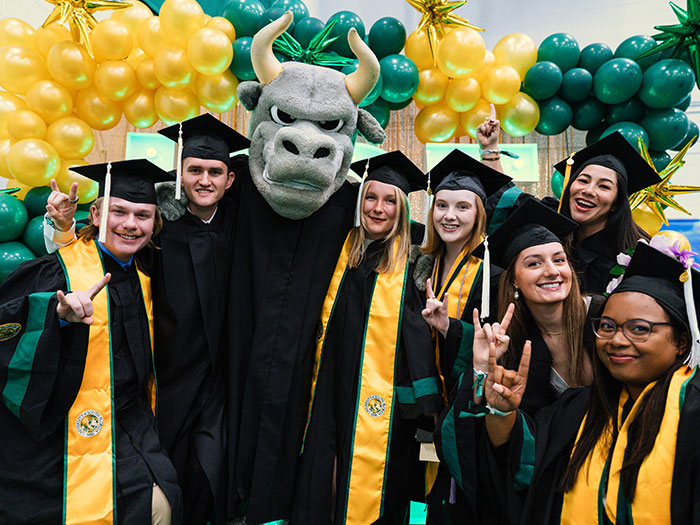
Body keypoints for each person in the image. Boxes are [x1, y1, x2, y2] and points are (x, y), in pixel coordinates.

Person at [43, 113, 251, 525]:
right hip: (167, 380)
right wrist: (63, 229)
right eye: (194, 170)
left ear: (230, 179)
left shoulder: (246, 228)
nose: (204, 180)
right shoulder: (159, 235)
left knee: (214, 477)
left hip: (225, 382)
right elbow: (100, 260)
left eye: (215, 171)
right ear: (180, 175)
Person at [0, 159, 182, 524]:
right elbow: (7, 325)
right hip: (58, 428)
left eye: (143, 215)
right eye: (119, 212)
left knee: (162, 502)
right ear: (96, 214)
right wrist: (55, 317)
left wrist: (64, 228)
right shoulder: (58, 271)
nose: (131, 224)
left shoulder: (146, 274)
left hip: (130, 423)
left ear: (154, 224)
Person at [480, 239, 700, 524]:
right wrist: (502, 411)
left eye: (639, 329)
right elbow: (526, 468)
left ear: (682, 341)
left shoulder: (693, 413)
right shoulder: (579, 408)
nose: (618, 341)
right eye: (607, 327)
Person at [291, 151, 443, 524]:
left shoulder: (417, 261)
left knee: (376, 490)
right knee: (321, 478)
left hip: (383, 400)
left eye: (390, 200)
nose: (378, 208)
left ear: (403, 208)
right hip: (329, 385)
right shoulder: (341, 248)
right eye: (370, 198)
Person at [417, 148, 512, 524]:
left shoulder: (495, 274)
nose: (450, 216)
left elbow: (497, 342)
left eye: (462, 207)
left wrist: (448, 327)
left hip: (467, 407)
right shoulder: (419, 266)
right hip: (425, 402)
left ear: (479, 214)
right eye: (441, 206)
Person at [553, 131, 661, 294]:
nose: (588, 190)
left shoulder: (636, 258)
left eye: (604, 186)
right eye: (583, 180)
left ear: (616, 204)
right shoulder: (551, 238)